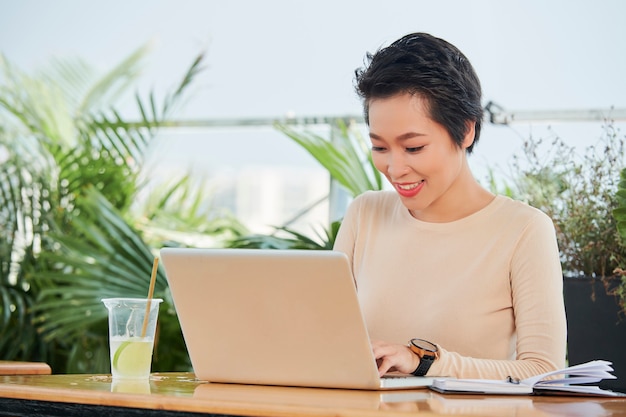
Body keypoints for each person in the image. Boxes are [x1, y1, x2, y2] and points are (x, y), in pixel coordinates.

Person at [333, 32, 567, 380]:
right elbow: (325, 340)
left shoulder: (523, 230)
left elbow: (543, 370)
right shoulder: (364, 214)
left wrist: (424, 362)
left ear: (466, 131)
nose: (395, 169)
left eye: (413, 148)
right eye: (380, 148)